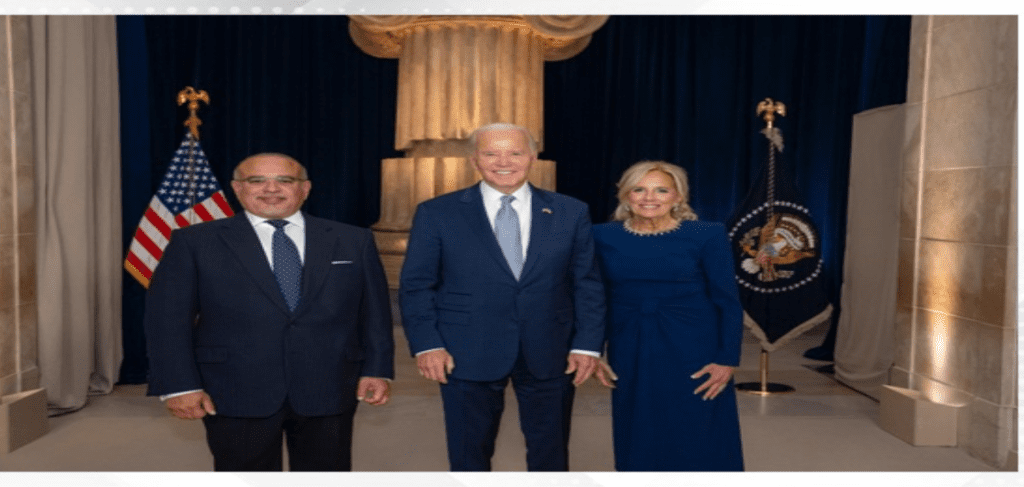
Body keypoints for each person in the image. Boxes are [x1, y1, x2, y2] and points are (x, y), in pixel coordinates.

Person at [144, 153, 395, 471]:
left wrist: (377, 369)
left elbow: (374, 313)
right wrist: (180, 385)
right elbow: (167, 320)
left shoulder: (353, 240)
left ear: (305, 188)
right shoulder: (195, 242)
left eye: (284, 180)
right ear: (238, 188)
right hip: (234, 388)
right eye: (257, 180)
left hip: (329, 384)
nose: (271, 189)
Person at [399, 123, 611, 471]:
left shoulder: (571, 212)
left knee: (550, 455)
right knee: (469, 455)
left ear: (532, 157)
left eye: (515, 152)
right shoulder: (437, 212)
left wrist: (587, 346)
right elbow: (417, 285)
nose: (504, 162)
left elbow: (587, 283)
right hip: (464, 349)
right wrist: (427, 344)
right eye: (491, 153)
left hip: (551, 349)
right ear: (474, 160)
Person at [592, 161, 744, 471]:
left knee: (698, 426)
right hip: (631, 345)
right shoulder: (601, 235)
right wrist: (593, 350)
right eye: (639, 189)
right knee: (638, 423)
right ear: (625, 195)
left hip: (694, 349)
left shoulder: (706, 234)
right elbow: (596, 299)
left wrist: (727, 358)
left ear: (678, 197)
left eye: (661, 190)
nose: (650, 198)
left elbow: (727, 301)